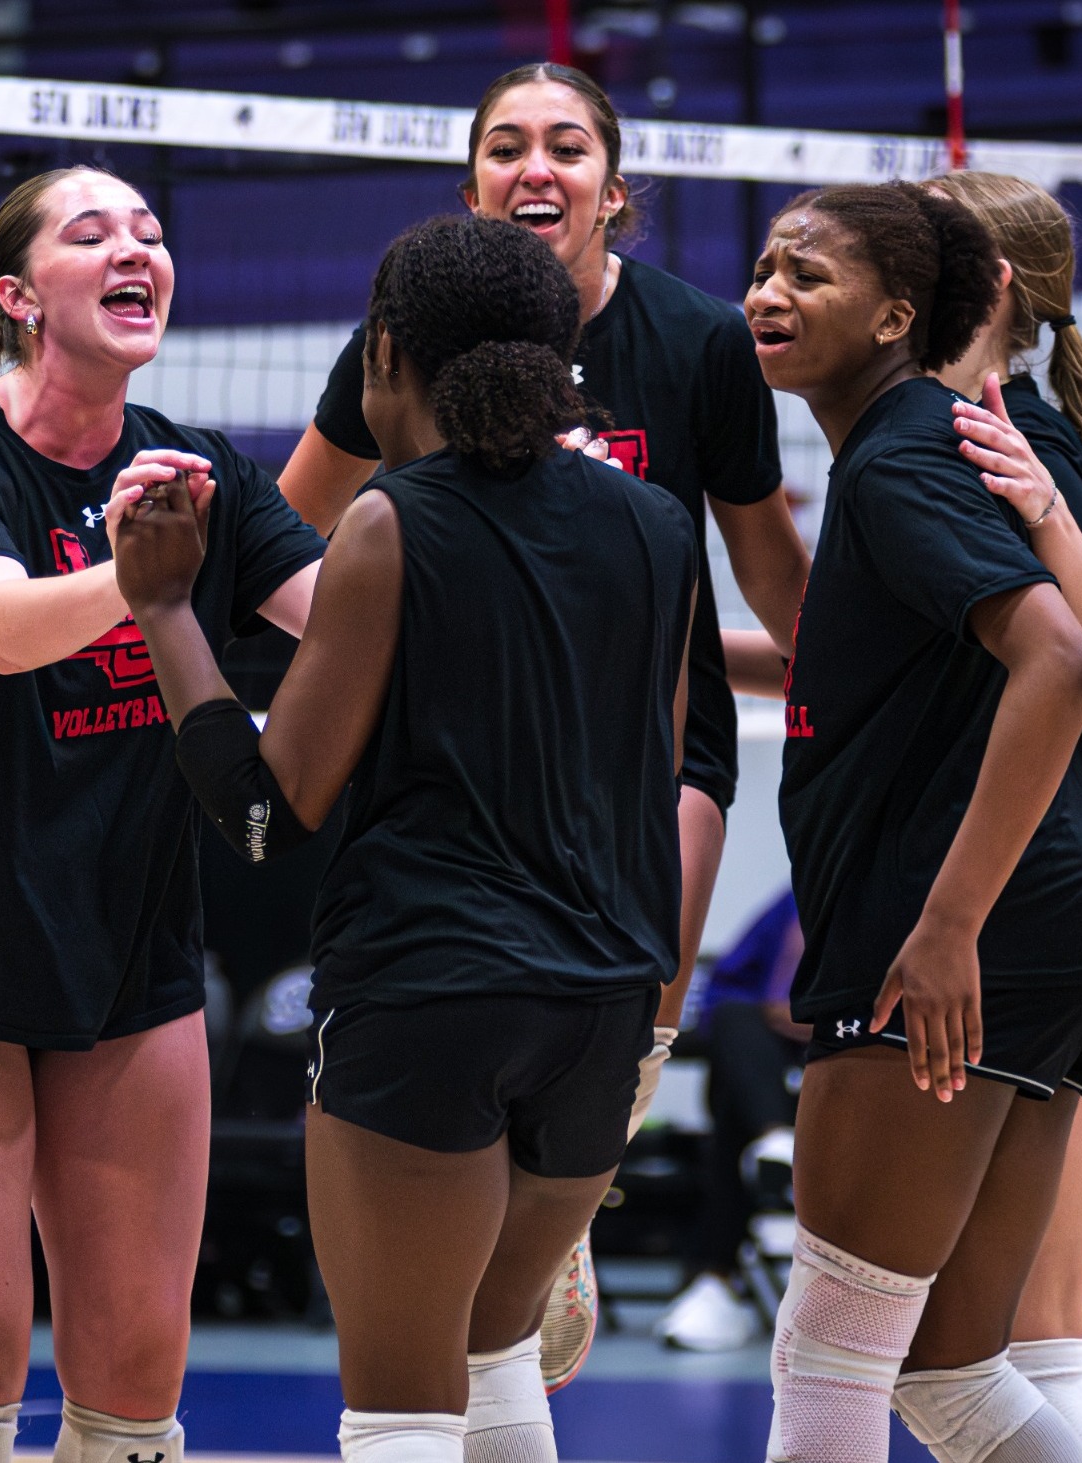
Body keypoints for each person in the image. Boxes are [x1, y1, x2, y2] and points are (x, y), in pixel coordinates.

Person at [113, 212, 695, 1463]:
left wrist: (165, 609)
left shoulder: (392, 521)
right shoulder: (655, 526)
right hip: (603, 1011)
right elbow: (664, 775)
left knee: (398, 1414)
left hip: (433, 995)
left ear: (385, 353)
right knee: (494, 1368)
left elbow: (266, 816)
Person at [277, 60, 810, 1390]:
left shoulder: (697, 343)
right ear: (471, 191)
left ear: (613, 193)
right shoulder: (400, 339)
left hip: (645, 742)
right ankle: (528, 1237)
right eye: (504, 145)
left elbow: (772, 581)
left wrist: (858, 671)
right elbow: (289, 527)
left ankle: (564, 1204)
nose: (535, 166)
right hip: (461, 752)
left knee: (635, 985)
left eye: (565, 146)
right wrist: (375, 638)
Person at [0, 164, 324, 1463]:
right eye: (93, 231)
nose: (134, 249)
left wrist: (497, 500)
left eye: (152, 231)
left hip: (132, 960)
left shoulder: (201, 467)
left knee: (133, 1395)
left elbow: (346, 620)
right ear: (18, 294)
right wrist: (141, 576)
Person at [749, 179, 1082, 1463]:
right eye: (764, 266)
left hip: (954, 921)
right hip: (1039, 921)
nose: (768, 293)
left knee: (831, 1358)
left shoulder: (915, 450)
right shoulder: (934, 448)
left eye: (808, 272)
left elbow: (1061, 661)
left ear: (909, 308)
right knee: (951, 1371)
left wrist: (946, 924)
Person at [933, 169, 1082, 1454]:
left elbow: (1070, 657)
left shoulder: (997, 443)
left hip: (1030, 889)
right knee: (1033, 1330)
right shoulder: (1034, 428)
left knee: (959, 1349)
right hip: (1060, 883)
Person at [653, 889, 806, 1353]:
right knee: (736, 1025)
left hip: (870, 1061)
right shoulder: (797, 895)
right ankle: (776, 1149)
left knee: (735, 1107)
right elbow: (729, 988)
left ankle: (713, 1274)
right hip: (776, 1073)